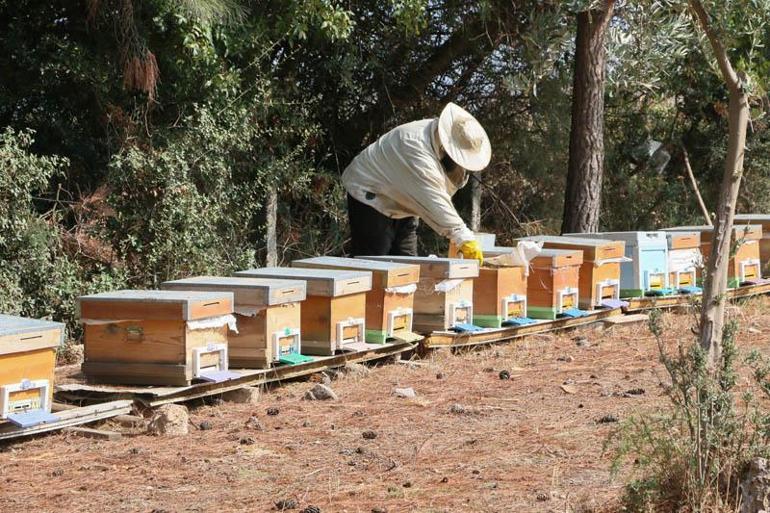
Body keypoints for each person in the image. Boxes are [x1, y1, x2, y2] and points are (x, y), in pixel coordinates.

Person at [342, 102, 491, 264]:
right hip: (370, 193)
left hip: (401, 198)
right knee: (373, 263)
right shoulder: (416, 149)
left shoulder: (436, 138)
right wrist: (464, 237)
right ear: (447, 147)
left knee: (407, 265)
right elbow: (435, 199)